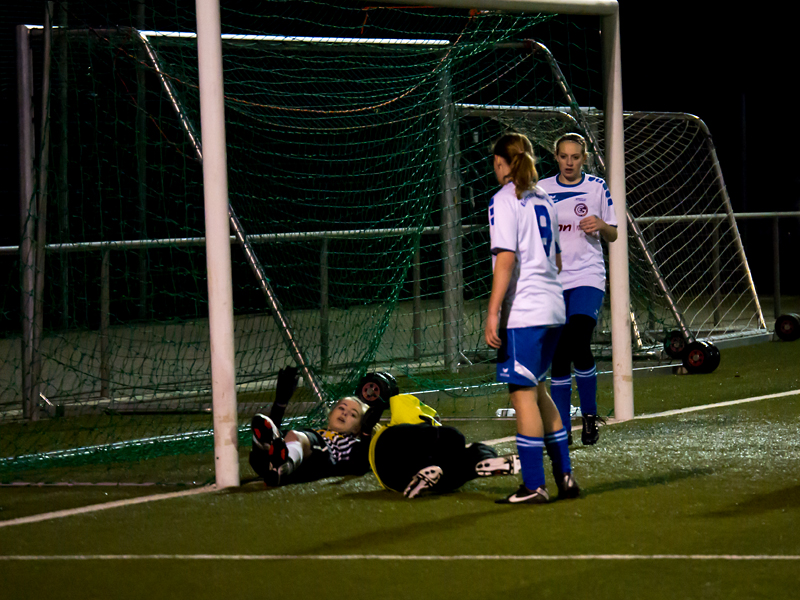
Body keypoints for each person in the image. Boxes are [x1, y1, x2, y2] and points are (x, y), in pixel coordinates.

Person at [484, 131, 579, 504]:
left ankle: (534, 485)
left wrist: (493, 314)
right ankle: (565, 478)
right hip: (554, 306)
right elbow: (556, 259)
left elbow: (505, 260)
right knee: (539, 392)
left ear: (500, 163)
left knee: (522, 397)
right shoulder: (546, 198)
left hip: (525, 311)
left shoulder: (504, 200)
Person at [538, 133, 618, 445]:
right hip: (553, 280)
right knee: (558, 354)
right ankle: (560, 429)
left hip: (588, 276)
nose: (569, 162)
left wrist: (600, 225)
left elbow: (612, 234)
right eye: (563, 156)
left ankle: (588, 417)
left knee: (579, 340)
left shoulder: (596, 187)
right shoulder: (542, 190)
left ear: (583, 159)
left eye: (575, 157)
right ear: (555, 157)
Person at [367, 393, 521, 499]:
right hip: (395, 448)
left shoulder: (384, 432)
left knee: (451, 468)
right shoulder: (411, 419)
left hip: (394, 480)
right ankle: (483, 459)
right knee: (462, 446)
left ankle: (461, 467)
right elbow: (401, 403)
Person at [248, 367, 384, 486]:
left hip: (321, 461)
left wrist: (366, 432)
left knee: (296, 436)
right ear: (330, 415)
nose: (345, 413)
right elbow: (275, 434)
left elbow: (362, 464)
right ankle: (270, 462)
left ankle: (283, 465)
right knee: (275, 440)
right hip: (300, 465)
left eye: (353, 415)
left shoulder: (351, 443)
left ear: (357, 428)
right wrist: (280, 403)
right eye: (341, 407)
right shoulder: (318, 432)